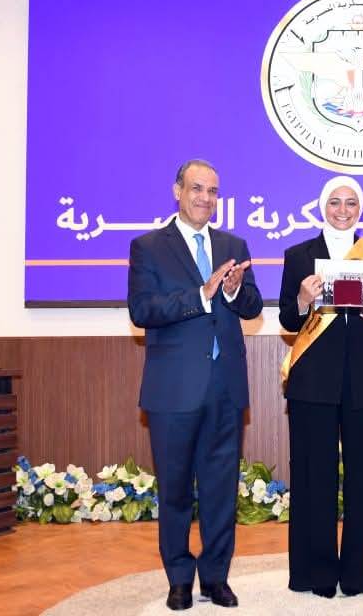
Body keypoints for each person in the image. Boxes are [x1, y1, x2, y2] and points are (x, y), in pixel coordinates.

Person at [127, 159, 263, 611]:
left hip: (225, 388)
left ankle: (216, 578)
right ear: (177, 191)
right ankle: (179, 579)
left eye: (213, 191)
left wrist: (232, 291)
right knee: (176, 491)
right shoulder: (148, 247)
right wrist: (202, 295)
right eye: (197, 188)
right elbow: (142, 310)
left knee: (221, 490)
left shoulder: (233, 245)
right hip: (173, 391)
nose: (205, 198)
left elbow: (251, 306)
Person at [278, 176, 363, 598]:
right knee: (313, 479)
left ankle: (356, 576)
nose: (342, 210)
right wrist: (302, 300)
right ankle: (316, 574)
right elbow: (289, 321)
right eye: (335, 202)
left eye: (350, 203)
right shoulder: (298, 256)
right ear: (322, 206)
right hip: (313, 384)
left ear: (359, 209)